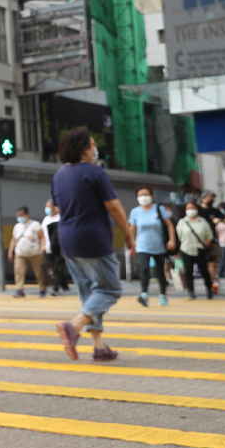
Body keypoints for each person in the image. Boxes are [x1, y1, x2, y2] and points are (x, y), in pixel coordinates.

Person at [51, 127, 135, 363]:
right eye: (92, 143)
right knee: (109, 289)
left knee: (89, 293)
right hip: (92, 238)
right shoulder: (94, 172)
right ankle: (73, 326)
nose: (95, 147)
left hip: (67, 239)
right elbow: (114, 206)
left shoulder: (59, 175)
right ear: (83, 149)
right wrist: (128, 234)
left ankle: (98, 347)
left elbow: (57, 208)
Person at [127, 187, 176, 307]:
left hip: (159, 246)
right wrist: (131, 244)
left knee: (160, 272)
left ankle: (163, 295)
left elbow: (169, 225)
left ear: (151, 196)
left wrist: (172, 240)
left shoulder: (159, 209)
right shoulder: (135, 212)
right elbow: (131, 229)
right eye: (140, 195)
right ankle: (144, 294)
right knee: (144, 269)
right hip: (142, 246)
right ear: (137, 198)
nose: (143, 197)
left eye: (146, 194)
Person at [177, 201, 216, 300]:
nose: (190, 210)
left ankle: (209, 289)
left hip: (200, 249)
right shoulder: (182, 222)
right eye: (188, 208)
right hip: (186, 249)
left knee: (204, 271)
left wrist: (205, 245)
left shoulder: (202, 221)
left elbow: (210, 235)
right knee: (188, 271)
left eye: (192, 208)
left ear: (197, 209)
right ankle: (191, 291)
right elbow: (178, 237)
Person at [8, 206, 46, 298]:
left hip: (35, 253)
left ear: (27, 214)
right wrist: (10, 251)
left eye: (21, 215)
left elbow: (42, 237)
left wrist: (43, 246)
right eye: (18, 215)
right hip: (20, 253)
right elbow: (13, 240)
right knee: (18, 272)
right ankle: (19, 290)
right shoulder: (17, 226)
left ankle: (42, 289)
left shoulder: (35, 225)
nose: (19, 217)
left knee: (39, 272)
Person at [198, 191, 222, 296]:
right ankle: (210, 282)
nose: (212, 201)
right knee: (203, 264)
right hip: (198, 241)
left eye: (213, 199)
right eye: (210, 198)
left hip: (212, 241)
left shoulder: (215, 211)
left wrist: (219, 220)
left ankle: (211, 284)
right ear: (203, 198)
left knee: (212, 263)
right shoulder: (197, 210)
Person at [42, 200, 68, 295]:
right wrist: (43, 245)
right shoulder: (46, 220)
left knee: (57, 268)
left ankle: (56, 288)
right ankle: (64, 286)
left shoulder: (61, 218)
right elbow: (43, 234)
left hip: (60, 249)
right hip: (49, 249)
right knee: (54, 269)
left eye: (48, 206)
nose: (47, 209)